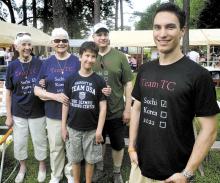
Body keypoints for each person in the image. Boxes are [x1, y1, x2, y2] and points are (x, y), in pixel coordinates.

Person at [128, 2, 219, 183]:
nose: (162, 34)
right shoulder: (145, 70)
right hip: (140, 168)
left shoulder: (198, 75)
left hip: (175, 174)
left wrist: (186, 173)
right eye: (157, 27)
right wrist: (131, 147)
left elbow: (209, 130)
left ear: (182, 31)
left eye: (170, 27)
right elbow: (136, 108)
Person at [34, 28, 80, 183]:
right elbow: (36, 89)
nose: (61, 43)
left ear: (68, 42)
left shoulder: (76, 61)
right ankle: (56, 175)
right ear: (52, 43)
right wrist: (54, 96)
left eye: (64, 40)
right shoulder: (46, 63)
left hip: (74, 113)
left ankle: (70, 173)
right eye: (57, 40)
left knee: (72, 146)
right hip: (53, 113)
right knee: (56, 147)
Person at [92, 23, 133, 183]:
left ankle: (116, 172)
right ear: (93, 37)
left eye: (105, 34)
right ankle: (99, 169)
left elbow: (128, 84)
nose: (102, 37)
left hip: (116, 110)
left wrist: (128, 109)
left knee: (117, 143)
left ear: (108, 37)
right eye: (99, 34)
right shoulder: (90, 56)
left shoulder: (120, 56)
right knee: (98, 141)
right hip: (94, 112)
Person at [61, 41, 107, 183]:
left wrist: (99, 130)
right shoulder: (70, 79)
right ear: (80, 56)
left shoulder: (99, 81)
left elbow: (103, 107)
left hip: (92, 130)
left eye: (93, 56)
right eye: (87, 55)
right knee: (75, 159)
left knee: (90, 160)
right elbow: (65, 104)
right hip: (73, 128)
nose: (89, 59)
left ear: (96, 59)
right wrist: (63, 127)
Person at [5, 33, 47, 183]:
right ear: (17, 47)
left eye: (29, 44)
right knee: (20, 141)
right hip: (18, 111)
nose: (27, 47)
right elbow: (8, 93)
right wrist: (9, 115)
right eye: (24, 44)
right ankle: (22, 167)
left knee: (39, 140)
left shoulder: (40, 63)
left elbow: (46, 82)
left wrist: (44, 83)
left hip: (37, 110)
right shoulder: (12, 66)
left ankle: (42, 166)